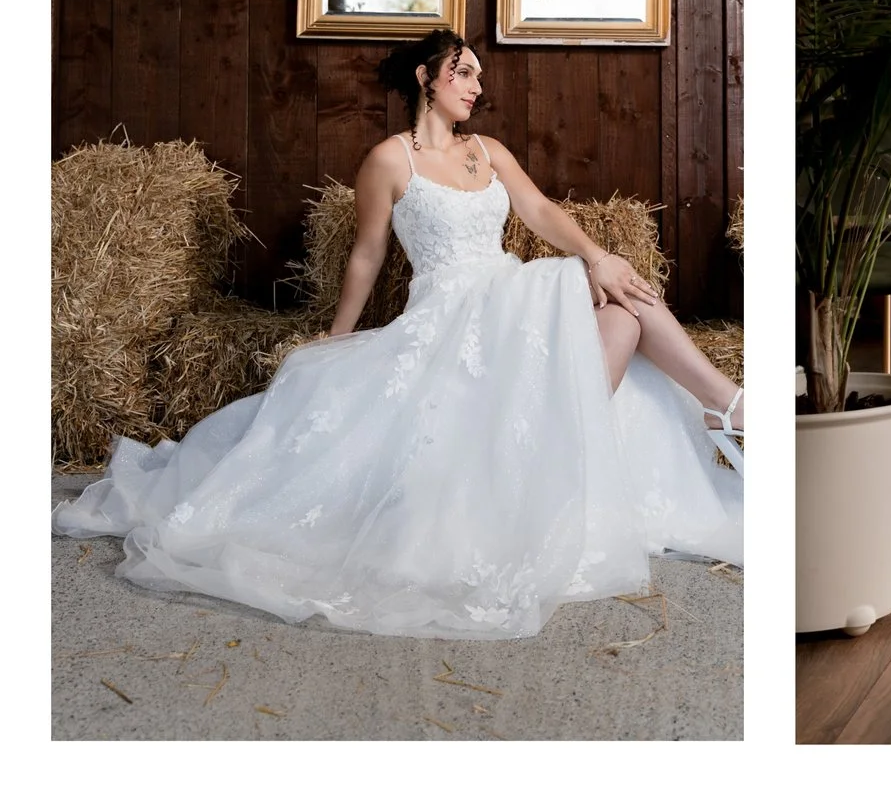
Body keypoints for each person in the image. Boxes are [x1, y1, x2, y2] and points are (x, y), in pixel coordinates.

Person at [55, 31, 742, 639]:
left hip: (507, 292)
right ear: (426, 78)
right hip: (449, 310)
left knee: (617, 297)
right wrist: (336, 333)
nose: (476, 87)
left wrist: (597, 254)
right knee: (614, 305)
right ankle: (719, 408)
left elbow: (536, 211)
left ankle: (718, 404)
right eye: (463, 72)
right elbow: (367, 253)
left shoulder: (490, 151)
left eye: (478, 76)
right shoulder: (389, 160)